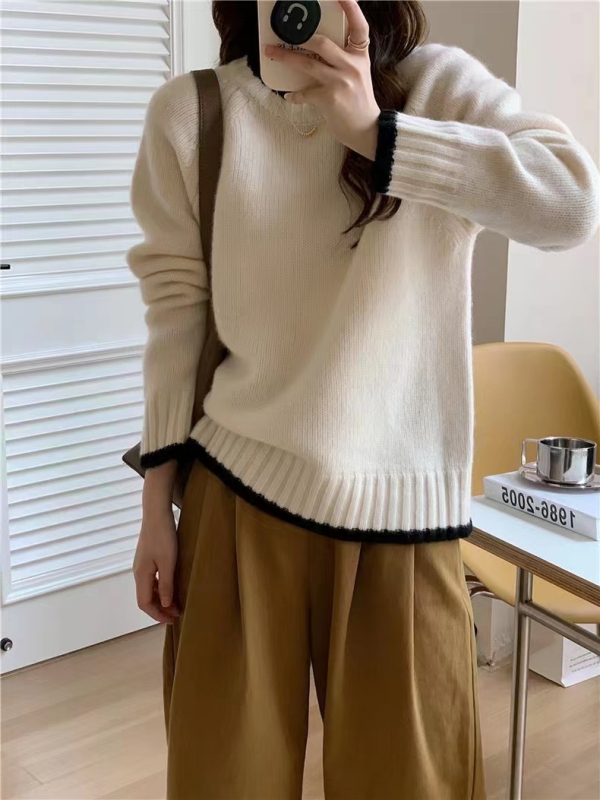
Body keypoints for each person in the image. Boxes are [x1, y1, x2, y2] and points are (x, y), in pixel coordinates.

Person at [127, 1, 599, 797]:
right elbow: (176, 313)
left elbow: (570, 204)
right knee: (223, 782)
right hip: (237, 507)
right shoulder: (193, 114)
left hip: (404, 521)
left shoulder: (439, 87)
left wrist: (378, 134)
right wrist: (155, 510)